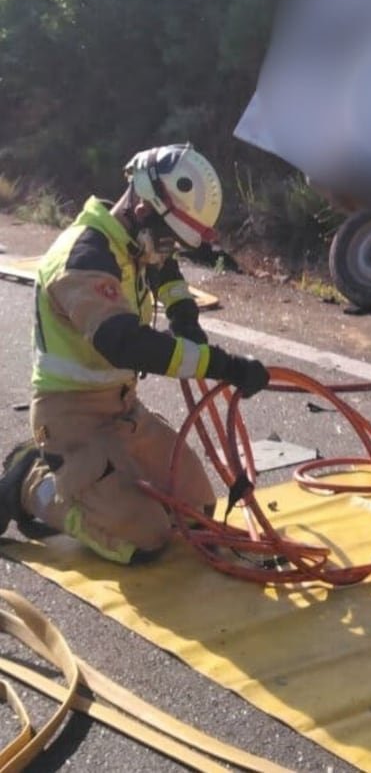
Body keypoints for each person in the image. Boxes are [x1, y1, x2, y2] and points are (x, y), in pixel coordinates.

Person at [0, 144, 269, 564]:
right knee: (145, 538)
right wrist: (223, 365)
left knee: (198, 511)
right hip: (71, 417)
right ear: (144, 206)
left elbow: (162, 267)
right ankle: (32, 485)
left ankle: (106, 479)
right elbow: (126, 344)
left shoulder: (129, 236)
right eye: (170, 238)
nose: (169, 250)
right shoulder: (84, 258)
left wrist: (183, 313)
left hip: (122, 410)